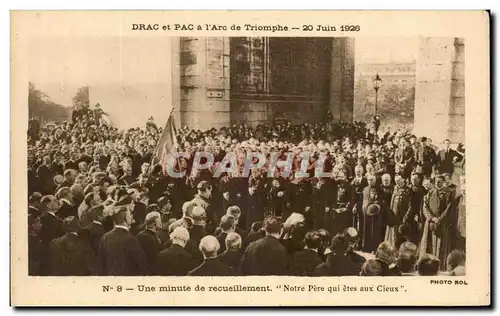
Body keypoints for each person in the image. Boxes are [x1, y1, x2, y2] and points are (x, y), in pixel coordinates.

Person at [97, 206, 149, 276]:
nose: (132, 216)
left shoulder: (105, 237)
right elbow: (141, 264)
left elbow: (100, 264)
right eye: (130, 214)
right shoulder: (131, 239)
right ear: (125, 218)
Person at [421, 174, 456, 270]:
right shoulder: (430, 192)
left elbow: (449, 208)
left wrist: (439, 219)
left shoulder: (449, 192)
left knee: (441, 245)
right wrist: (431, 218)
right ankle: (428, 265)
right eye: (436, 181)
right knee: (429, 244)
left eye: (439, 181)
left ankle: (440, 266)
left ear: (443, 182)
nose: (437, 183)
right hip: (430, 223)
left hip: (442, 223)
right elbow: (425, 207)